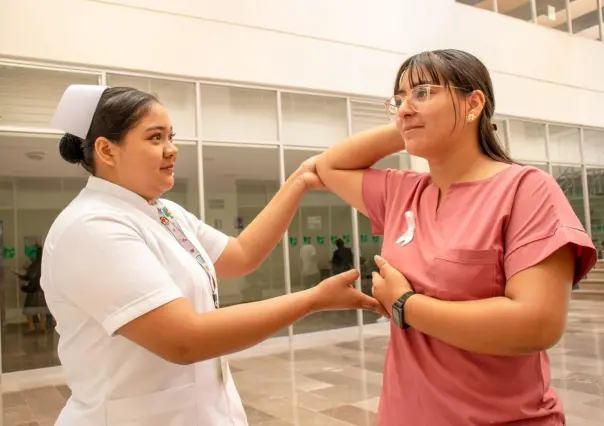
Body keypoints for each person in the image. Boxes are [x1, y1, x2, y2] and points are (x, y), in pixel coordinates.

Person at [42, 84, 386, 426]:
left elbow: (241, 255)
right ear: (106, 150)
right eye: (155, 138)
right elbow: (184, 339)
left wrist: (298, 181)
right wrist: (312, 300)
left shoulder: (164, 212)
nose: (171, 150)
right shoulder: (91, 227)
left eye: (170, 137)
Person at [316, 49, 597, 426]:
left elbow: (538, 324)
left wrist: (404, 304)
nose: (403, 108)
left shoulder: (525, 190)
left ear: (474, 102)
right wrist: (412, 122)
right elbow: (329, 165)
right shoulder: (402, 193)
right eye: (397, 99)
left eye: (423, 92)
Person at [14, 244, 49, 333]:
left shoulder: (34, 265)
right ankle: (42, 326)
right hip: (43, 291)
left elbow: (28, 276)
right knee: (42, 311)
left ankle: (31, 326)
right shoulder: (46, 264)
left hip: (33, 292)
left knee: (29, 311)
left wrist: (19, 275)